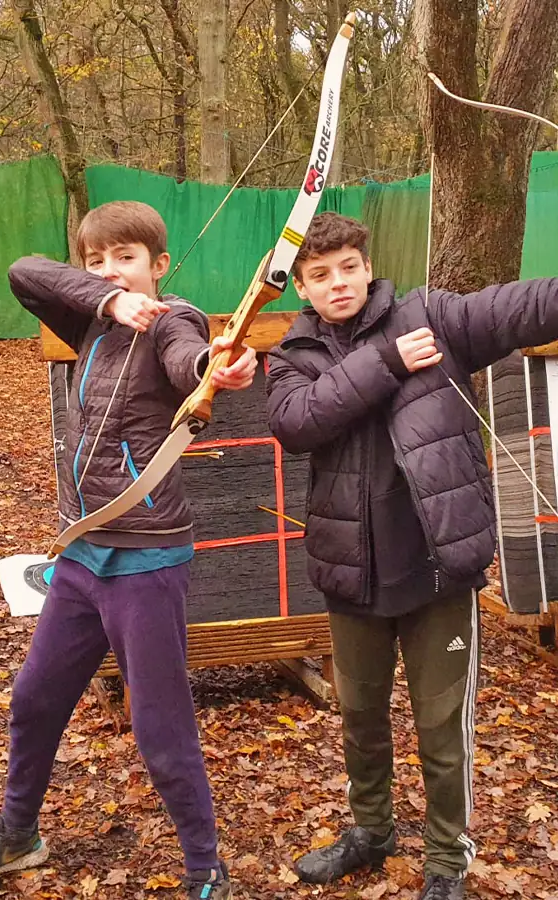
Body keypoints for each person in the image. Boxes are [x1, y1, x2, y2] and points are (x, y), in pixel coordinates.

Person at [0, 200, 258, 900]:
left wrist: (216, 367)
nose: (111, 268)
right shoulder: (90, 318)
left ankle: (206, 867)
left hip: (144, 561)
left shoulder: (176, 319)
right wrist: (110, 299)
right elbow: (27, 273)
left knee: (160, 726)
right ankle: (19, 833)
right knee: (34, 699)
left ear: (160, 264)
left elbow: (191, 360)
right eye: (97, 259)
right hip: (82, 556)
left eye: (127, 258)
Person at [265, 211, 558, 900]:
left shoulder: (435, 318)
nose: (337, 284)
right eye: (319, 275)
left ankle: (446, 861)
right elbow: (298, 422)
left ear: (368, 268)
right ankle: (371, 831)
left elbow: (521, 308)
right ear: (302, 288)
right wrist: (389, 360)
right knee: (361, 717)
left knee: (440, 727)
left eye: (347, 268)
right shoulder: (293, 356)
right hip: (351, 572)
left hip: (435, 570)